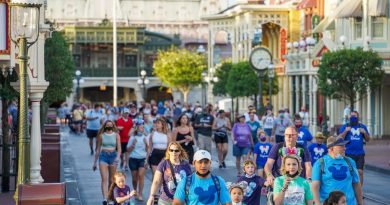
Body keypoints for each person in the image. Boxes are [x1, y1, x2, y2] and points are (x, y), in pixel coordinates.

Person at [311, 136, 363, 205]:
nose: (345, 148)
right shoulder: (320, 163)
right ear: (331, 148)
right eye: (341, 146)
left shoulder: (350, 162)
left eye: (344, 146)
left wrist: (360, 203)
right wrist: (317, 203)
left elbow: (356, 184)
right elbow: (315, 187)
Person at [92, 120, 121, 205]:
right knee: (104, 179)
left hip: (113, 157)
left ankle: (110, 197)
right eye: (107, 125)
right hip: (103, 156)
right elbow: (97, 149)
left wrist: (118, 157)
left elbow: (119, 148)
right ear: (104, 126)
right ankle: (105, 198)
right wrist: (94, 162)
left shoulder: (116, 135)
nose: (109, 127)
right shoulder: (101, 136)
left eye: (110, 125)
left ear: (113, 126)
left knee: (111, 180)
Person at [338, 110, 370, 186]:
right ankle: (349, 188)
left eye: (355, 116)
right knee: (349, 172)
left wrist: (364, 132)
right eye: (351, 116)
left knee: (360, 172)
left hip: (360, 153)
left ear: (358, 117)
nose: (353, 117)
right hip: (348, 153)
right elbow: (340, 138)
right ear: (349, 117)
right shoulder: (345, 126)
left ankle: (360, 191)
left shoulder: (362, 126)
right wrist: (345, 131)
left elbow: (368, 139)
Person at [127, 122, 149, 201]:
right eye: (140, 128)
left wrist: (146, 145)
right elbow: (127, 150)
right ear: (137, 128)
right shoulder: (132, 137)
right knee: (134, 179)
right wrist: (133, 144)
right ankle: (135, 190)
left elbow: (148, 150)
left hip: (142, 159)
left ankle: (140, 194)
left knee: (141, 175)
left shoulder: (145, 138)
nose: (142, 129)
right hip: (133, 159)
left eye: (143, 128)